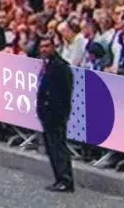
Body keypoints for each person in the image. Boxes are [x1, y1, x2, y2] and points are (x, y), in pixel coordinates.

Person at [36, 35, 75, 193]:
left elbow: (65, 92)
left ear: (54, 47)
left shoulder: (60, 67)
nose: (44, 50)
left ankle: (65, 179)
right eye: (42, 47)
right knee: (52, 147)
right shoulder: (48, 64)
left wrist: (59, 113)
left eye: (47, 46)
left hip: (56, 114)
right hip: (48, 113)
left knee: (58, 147)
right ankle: (59, 178)